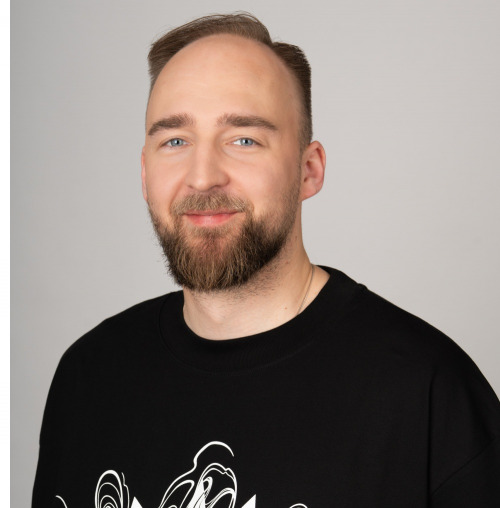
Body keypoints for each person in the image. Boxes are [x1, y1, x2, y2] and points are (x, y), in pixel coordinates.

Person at [32, 13, 500, 508]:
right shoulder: (88, 377)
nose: (203, 177)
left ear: (308, 170)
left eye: (244, 140)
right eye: (175, 141)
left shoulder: (427, 393)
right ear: (145, 174)